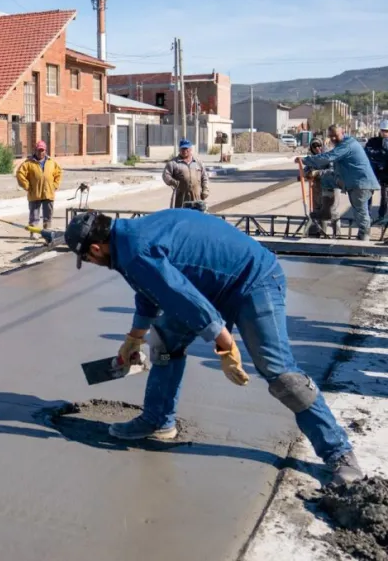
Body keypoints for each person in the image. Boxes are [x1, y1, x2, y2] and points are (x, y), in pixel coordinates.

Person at [63, 209, 363, 487]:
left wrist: (224, 342)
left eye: (87, 260)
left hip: (254, 281)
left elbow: (181, 297)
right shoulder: (125, 240)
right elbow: (150, 291)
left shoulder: (135, 251)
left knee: (280, 373)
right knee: (165, 342)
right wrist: (135, 336)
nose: (92, 264)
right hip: (213, 286)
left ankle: (339, 453)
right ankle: (158, 420)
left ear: (95, 249)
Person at [299, 125, 379, 240]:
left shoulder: (347, 144)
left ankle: (364, 237)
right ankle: (326, 211)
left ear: (343, 132)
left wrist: (305, 160)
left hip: (361, 183)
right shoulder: (341, 145)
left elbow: (329, 157)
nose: (333, 139)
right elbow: (332, 166)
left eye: (335, 136)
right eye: (331, 137)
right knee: (327, 178)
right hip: (349, 180)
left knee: (360, 211)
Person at [16, 140, 63, 234]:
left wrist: (55, 185)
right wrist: (27, 186)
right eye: (39, 150)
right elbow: (20, 174)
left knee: (48, 215)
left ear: (45, 151)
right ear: (35, 150)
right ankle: (34, 232)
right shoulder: (28, 163)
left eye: (42, 150)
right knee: (34, 215)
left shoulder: (51, 162)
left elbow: (58, 173)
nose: (40, 152)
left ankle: (47, 232)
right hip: (34, 193)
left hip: (48, 193)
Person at [304, 137, 340, 237]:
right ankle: (320, 233)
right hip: (317, 188)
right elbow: (306, 169)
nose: (317, 148)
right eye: (314, 146)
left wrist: (318, 173)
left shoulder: (328, 155)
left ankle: (337, 235)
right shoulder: (312, 158)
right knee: (318, 212)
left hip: (330, 187)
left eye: (319, 145)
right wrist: (307, 174)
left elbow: (333, 170)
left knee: (331, 211)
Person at [162, 138, 209, 209]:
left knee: (196, 217)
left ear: (190, 149)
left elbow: (204, 177)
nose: (185, 151)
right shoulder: (173, 163)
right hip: (181, 198)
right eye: (182, 149)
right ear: (179, 150)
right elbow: (166, 176)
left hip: (197, 197)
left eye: (186, 148)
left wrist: (205, 190)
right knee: (181, 217)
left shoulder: (198, 162)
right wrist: (173, 182)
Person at [364, 120, 388, 222]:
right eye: (384, 131)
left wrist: (378, 154)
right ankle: (367, 216)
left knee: (385, 196)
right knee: (368, 193)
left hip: (386, 173)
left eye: (387, 131)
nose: (385, 133)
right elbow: (367, 151)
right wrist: (381, 153)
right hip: (373, 171)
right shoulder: (373, 141)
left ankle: (381, 216)